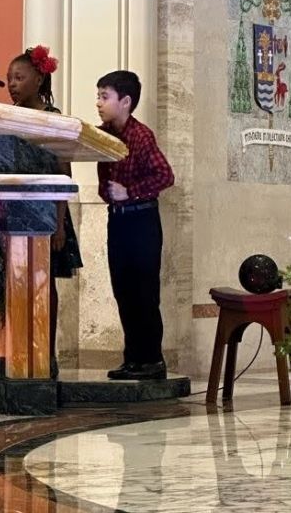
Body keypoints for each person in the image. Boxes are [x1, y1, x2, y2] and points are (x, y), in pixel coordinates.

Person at [0, 46, 82, 377]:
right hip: (11, 213)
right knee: (11, 283)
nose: (12, 84)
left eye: (19, 77)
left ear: (38, 79)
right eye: (9, 78)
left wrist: (59, 224)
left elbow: (63, 173)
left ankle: (45, 354)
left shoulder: (54, 119)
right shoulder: (8, 118)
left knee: (44, 285)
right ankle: (15, 352)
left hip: (45, 215)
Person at [96, 70, 174, 380]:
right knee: (123, 291)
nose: (98, 103)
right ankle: (133, 359)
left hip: (142, 221)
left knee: (144, 292)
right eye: (98, 96)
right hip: (117, 222)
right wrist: (110, 193)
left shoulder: (141, 136)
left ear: (125, 101)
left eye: (105, 96)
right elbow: (104, 181)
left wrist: (130, 192)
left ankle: (152, 360)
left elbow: (165, 175)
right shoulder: (103, 136)